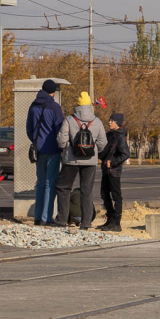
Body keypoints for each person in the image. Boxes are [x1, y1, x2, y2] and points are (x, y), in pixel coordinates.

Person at [56, 91, 107, 230]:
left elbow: (61, 141)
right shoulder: (97, 121)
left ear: (77, 104)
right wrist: (94, 151)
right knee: (87, 190)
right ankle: (86, 222)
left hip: (71, 161)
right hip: (90, 162)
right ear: (89, 104)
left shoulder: (69, 120)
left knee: (63, 188)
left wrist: (68, 148)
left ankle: (62, 219)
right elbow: (103, 142)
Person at [26, 80, 64, 226]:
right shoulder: (55, 107)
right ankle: (46, 218)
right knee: (50, 183)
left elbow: (29, 128)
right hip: (53, 149)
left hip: (39, 150)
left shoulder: (33, 106)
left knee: (40, 183)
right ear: (53, 92)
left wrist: (36, 142)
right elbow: (59, 130)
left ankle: (37, 217)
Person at [99, 113, 130, 232]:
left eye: (112, 121)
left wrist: (112, 162)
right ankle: (110, 218)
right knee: (104, 194)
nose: (109, 123)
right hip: (106, 170)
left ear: (117, 123)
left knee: (116, 196)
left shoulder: (120, 136)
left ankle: (116, 222)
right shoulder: (110, 135)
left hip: (114, 172)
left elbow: (125, 154)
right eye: (109, 120)